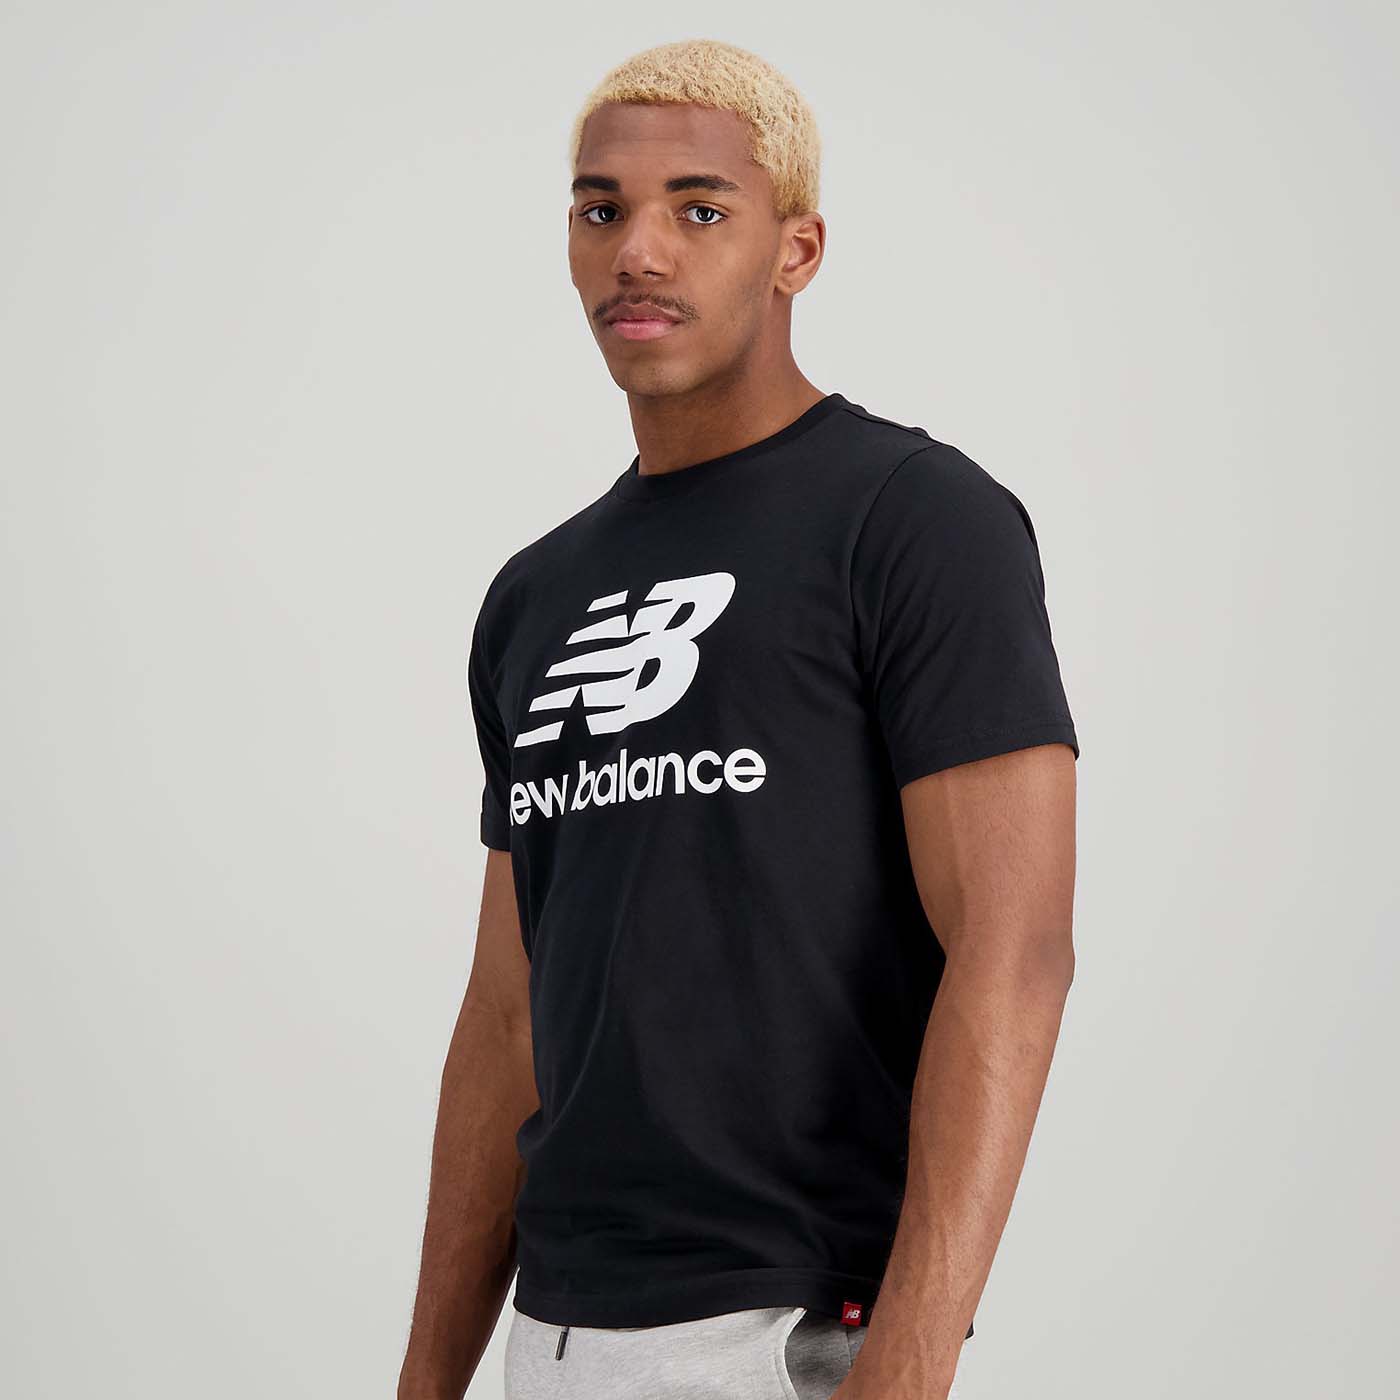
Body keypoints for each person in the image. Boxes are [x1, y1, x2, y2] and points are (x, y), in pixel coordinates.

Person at [398, 37, 1079, 1400]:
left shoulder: (914, 521)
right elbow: (508, 1014)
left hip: (787, 1336)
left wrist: (907, 1368)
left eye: (699, 209)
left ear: (796, 250)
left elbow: (1014, 954)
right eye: (602, 210)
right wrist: (427, 1383)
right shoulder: (533, 597)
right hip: (556, 1336)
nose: (639, 252)